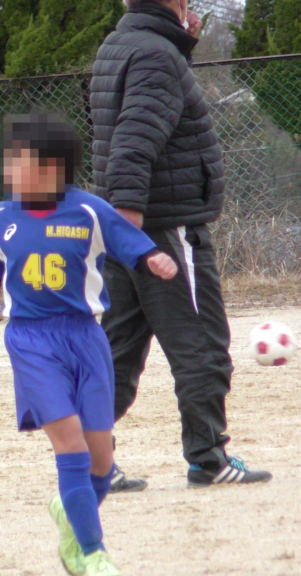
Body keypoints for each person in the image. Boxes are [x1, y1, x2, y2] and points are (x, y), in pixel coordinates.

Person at [0, 114, 178, 576]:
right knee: (70, 444)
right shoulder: (3, 217)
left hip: (86, 337)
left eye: (19, 161)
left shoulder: (88, 211)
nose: (9, 169)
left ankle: (68, 510)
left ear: (52, 167)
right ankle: (92, 554)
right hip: (31, 340)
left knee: (101, 461)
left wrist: (153, 257)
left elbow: (131, 243)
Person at [91, 0, 271, 490]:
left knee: (118, 353)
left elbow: (148, 110)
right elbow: (135, 138)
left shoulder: (123, 43)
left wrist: (180, 43)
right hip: (163, 227)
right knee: (202, 346)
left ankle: (90, 462)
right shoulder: (156, 55)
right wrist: (133, 225)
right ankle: (208, 458)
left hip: (129, 226)